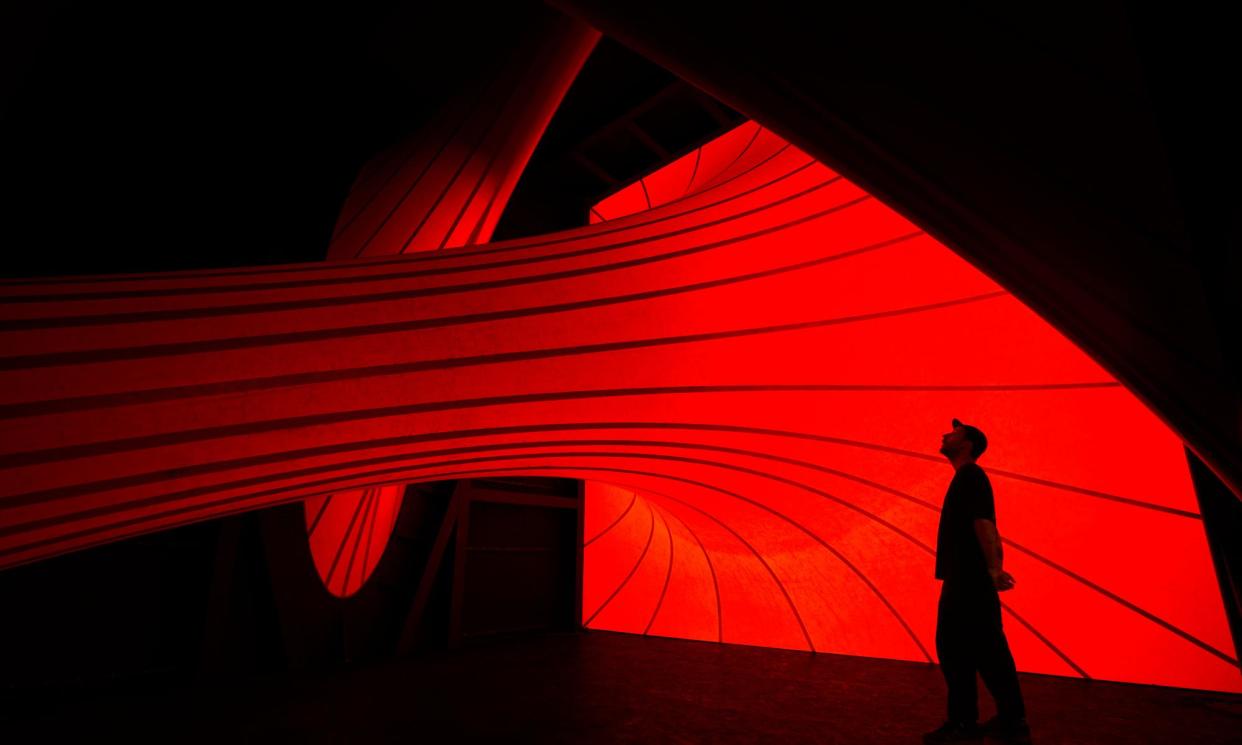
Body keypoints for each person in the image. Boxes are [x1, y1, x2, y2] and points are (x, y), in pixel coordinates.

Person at [923, 419, 1029, 744]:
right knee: (970, 649)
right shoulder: (965, 479)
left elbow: (984, 523)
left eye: (954, 432)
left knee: (977, 649)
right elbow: (987, 525)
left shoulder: (971, 477)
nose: (945, 434)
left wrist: (994, 568)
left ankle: (987, 722)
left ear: (967, 444)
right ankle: (983, 721)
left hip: (969, 579)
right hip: (965, 577)